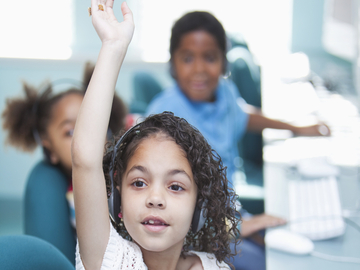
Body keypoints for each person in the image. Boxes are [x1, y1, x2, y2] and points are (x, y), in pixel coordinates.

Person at [145, 11, 331, 270]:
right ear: (173, 65)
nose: (199, 69)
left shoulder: (223, 94)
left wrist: (297, 127)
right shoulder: (166, 122)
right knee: (276, 262)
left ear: (223, 62)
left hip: (229, 214)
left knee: (296, 237)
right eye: (188, 59)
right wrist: (237, 227)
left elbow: (243, 116)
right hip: (195, 232)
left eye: (209, 58)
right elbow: (169, 205)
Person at [72, 2, 240, 269]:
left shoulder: (213, 267)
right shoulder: (109, 259)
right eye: (139, 183)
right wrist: (114, 47)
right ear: (117, 198)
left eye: (175, 186)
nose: (155, 198)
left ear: (200, 205)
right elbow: (85, 159)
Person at [1, 61, 127, 264]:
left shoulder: (128, 169)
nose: (85, 137)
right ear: (49, 148)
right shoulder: (74, 198)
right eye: (69, 132)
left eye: (94, 124)